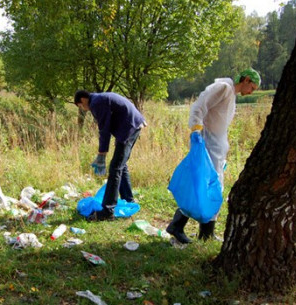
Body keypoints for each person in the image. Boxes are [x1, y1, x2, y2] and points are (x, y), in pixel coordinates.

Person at [166, 68, 261, 243]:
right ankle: (177, 226)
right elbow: (199, 106)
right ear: (246, 79)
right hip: (206, 145)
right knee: (204, 187)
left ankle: (206, 233)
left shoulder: (231, 94)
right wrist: (196, 128)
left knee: (212, 187)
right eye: (252, 88)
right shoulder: (224, 88)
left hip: (216, 147)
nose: (251, 92)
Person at [74, 90, 147, 221]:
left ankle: (107, 211)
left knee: (115, 168)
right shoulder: (99, 99)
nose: (83, 109)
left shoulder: (96, 103)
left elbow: (104, 129)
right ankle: (128, 200)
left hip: (129, 127)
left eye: (81, 106)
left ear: (83, 100)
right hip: (131, 126)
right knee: (120, 165)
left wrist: (102, 154)